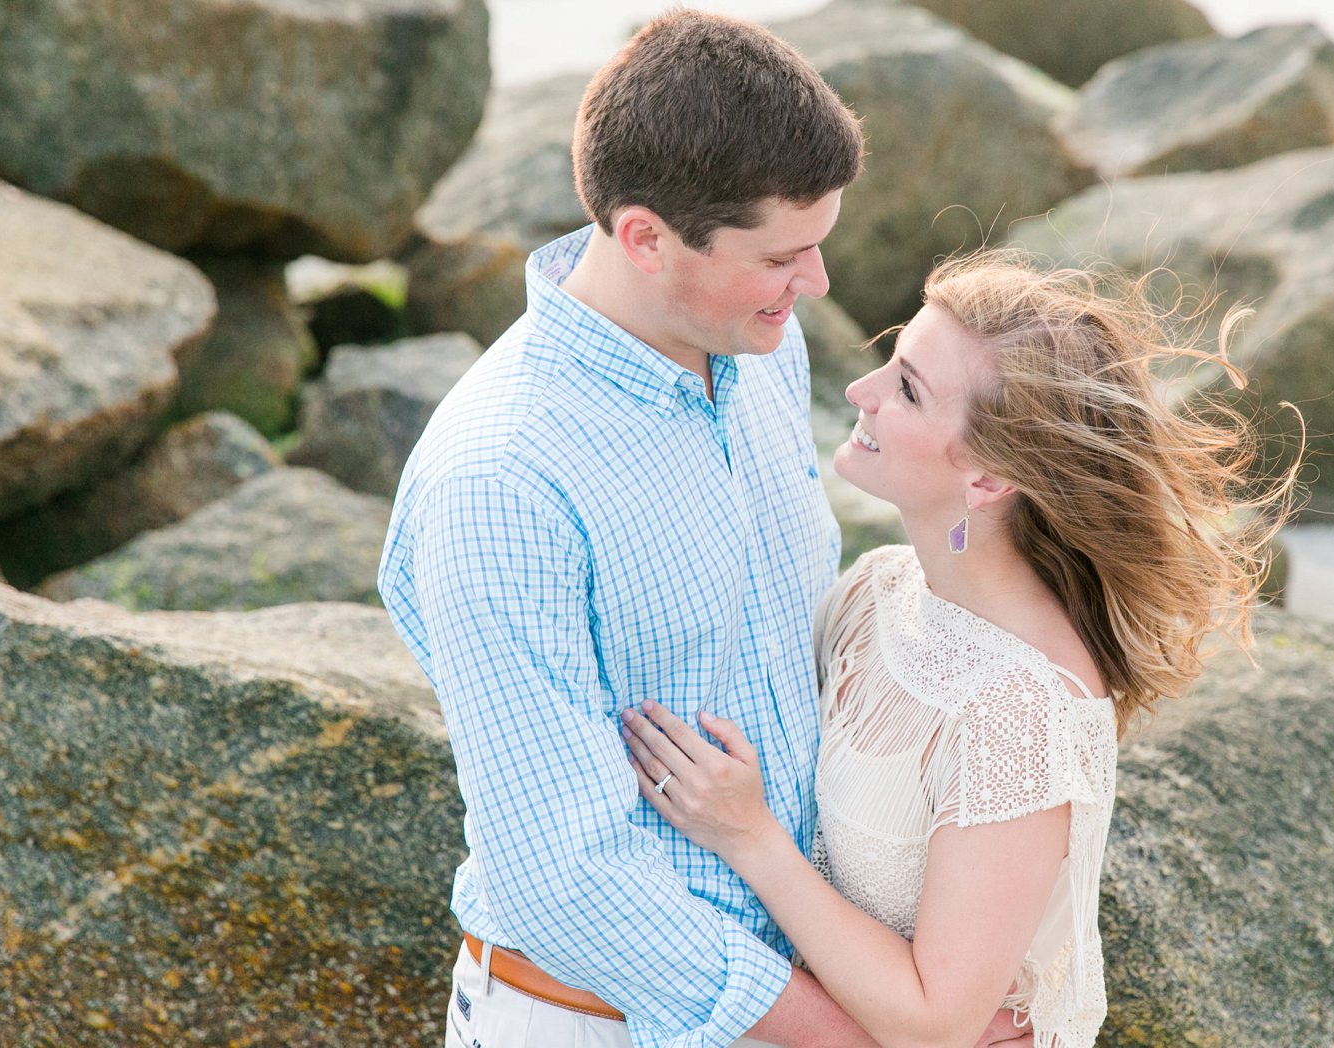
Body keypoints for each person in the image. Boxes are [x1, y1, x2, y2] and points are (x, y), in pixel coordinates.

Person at [378, 11, 1038, 1048]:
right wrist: (865, 1039)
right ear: (644, 236)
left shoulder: (763, 352)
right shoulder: (501, 479)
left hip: (806, 992)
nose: (816, 286)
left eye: (819, 245)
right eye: (784, 255)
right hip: (601, 1025)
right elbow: (564, 879)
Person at [622, 253, 1293, 1048]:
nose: (859, 393)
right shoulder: (879, 589)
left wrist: (748, 835)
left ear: (986, 479)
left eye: (907, 388)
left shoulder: (1024, 712)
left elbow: (938, 1022)